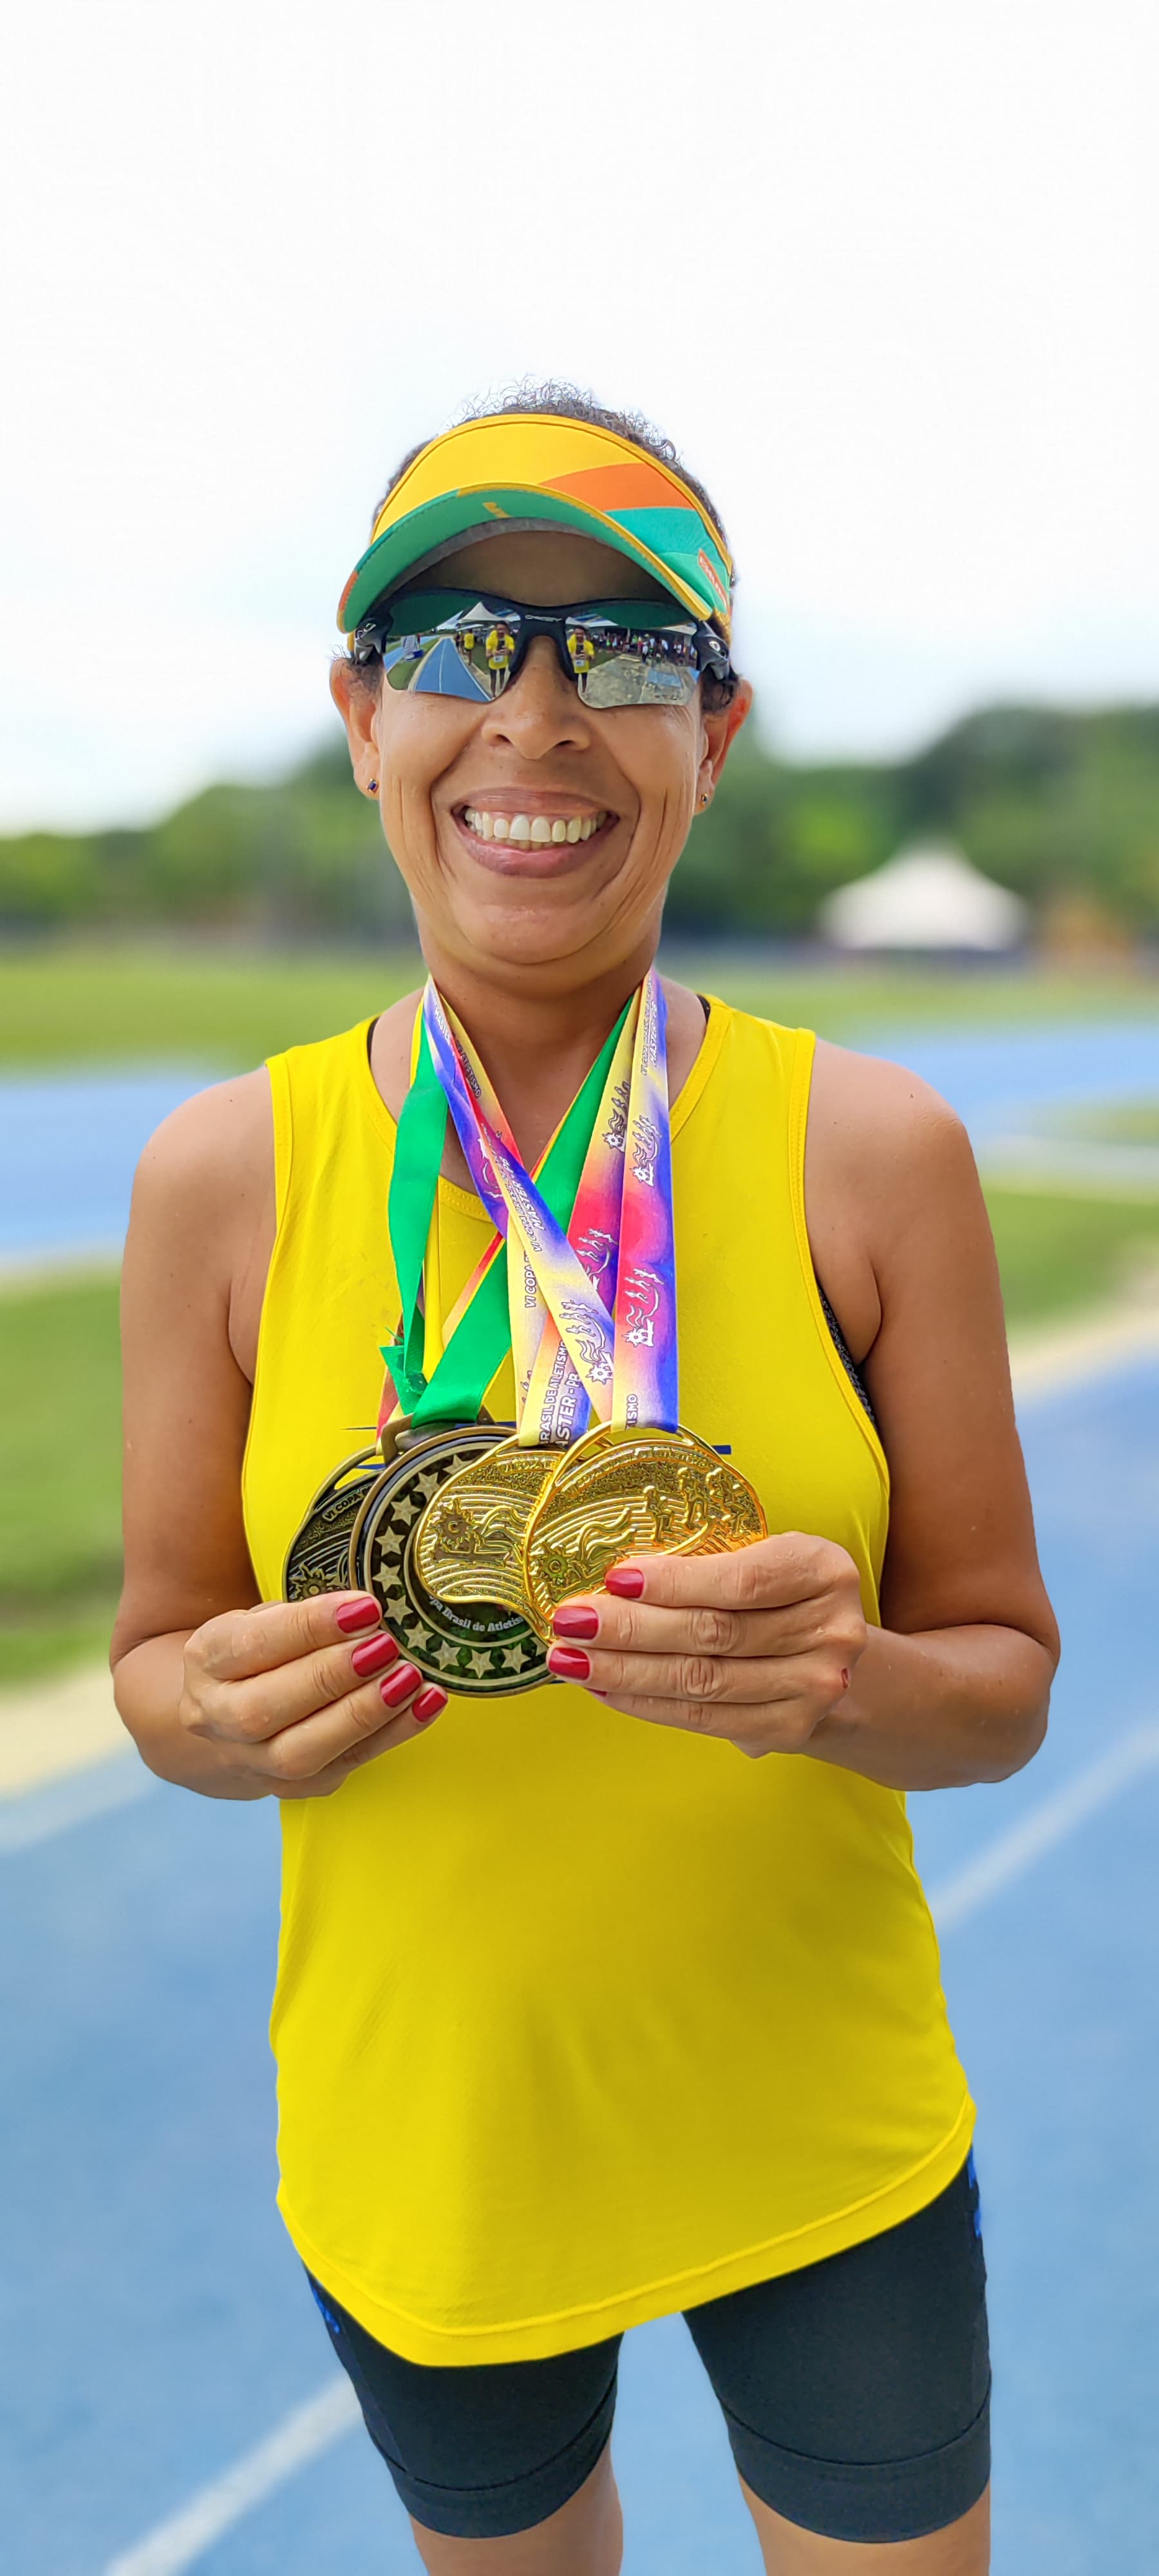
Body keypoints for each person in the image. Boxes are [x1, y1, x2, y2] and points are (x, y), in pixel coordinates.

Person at [113, 388, 1059, 2576]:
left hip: (820, 2123)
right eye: (457, 645)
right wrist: (204, 1717)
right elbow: (158, 1660)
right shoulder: (225, 1178)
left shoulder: (876, 1154)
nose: (534, 719)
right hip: (426, 2136)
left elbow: (1002, 1688)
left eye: (627, 654)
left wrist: (842, 1681)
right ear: (363, 721)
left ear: (713, 737)